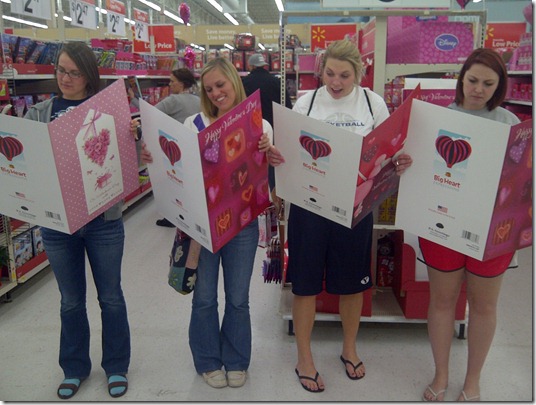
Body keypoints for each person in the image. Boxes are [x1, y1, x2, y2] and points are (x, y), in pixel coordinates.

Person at [266, 39, 407, 393]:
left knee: (352, 284)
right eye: (330, 73)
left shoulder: (373, 104)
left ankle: (349, 348)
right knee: (305, 284)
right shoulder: (306, 102)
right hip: (309, 207)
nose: (336, 82)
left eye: (345, 75)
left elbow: (388, 151)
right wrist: (276, 158)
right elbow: (289, 150)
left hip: (354, 209)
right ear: (321, 70)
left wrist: (398, 160)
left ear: (359, 73)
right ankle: (304, 357)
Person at [139, 57, 273, 389]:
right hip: (202, 227)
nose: (215, 93)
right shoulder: (193, 124)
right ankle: (208, 360)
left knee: (238, 298)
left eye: (221, 85)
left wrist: (269, 152)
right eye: (209, 88)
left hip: (242, 223)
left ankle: (237, 359)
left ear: (234, 82)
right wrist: (152, 157)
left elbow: (264, 172)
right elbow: (176, 168)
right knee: (204, 298)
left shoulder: (260, 124)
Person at [24, 42, 131, 400]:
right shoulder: (39, 113)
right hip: (58, 224)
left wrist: (131, 138)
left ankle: (116, 366)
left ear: (88, 75)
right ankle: (74, 368)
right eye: (61, 70)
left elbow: (125, 161)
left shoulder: (107, 111)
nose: (65, 78)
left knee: (111, 297)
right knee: (70, 300)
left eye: (74, 72)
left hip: (103, 220)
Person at [413, 48, 520, 402]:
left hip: (492, 230)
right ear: (461, 80)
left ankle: (473, 380)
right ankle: (441, 373)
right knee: (443, 300)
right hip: (443, 224)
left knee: (484, 305)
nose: (478, 89)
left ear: (499, 86)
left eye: (489, 84)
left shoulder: (511, 125)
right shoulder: (438, 119)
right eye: (473, 80)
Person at [132, 68, 201, 227]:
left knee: (173, 184)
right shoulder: (198, 100)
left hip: (173, 149)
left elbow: (148, 113)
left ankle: (174, 217)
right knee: (188, 185)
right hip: (192, 148)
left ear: (181, 84)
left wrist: (133, 100)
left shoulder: (173, 100)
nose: (170, 84)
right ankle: (191, 216)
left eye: (172, 81)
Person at [242, 53, 293, 199]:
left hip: (251, 133)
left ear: (251, 66)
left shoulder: (244, 83)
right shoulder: (277, 82)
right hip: (276, 131)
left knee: (253, 168)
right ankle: (275, 197)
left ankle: (255, 197)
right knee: (274, 164)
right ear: (265, 65)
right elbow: (288, 108)